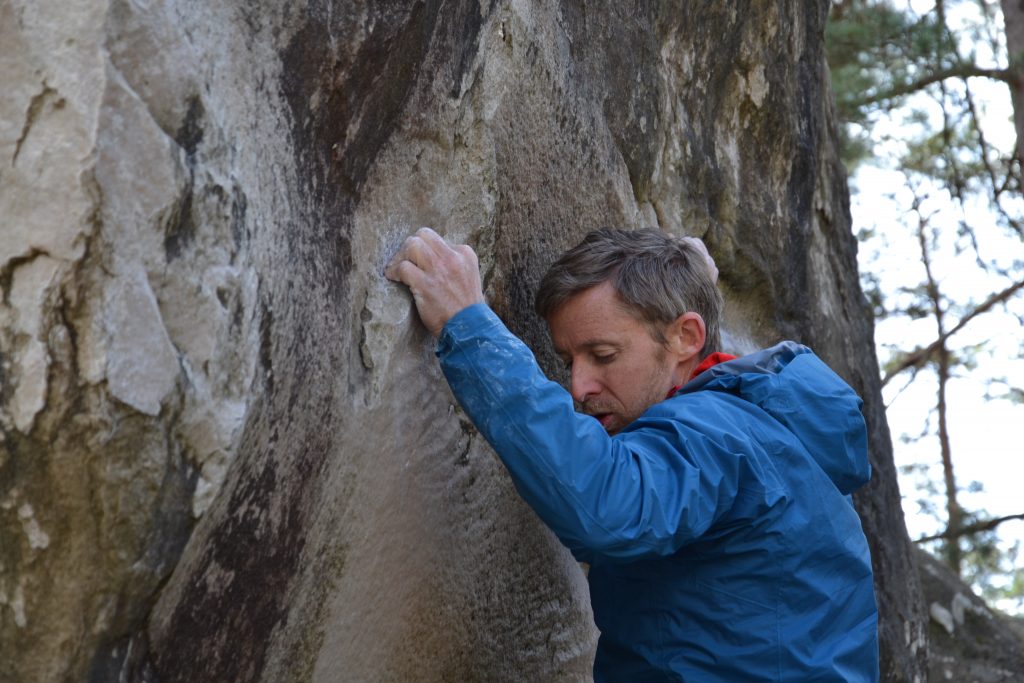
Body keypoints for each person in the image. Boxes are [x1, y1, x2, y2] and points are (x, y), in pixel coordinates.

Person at [385, 226, 879, 681]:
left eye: (602, 356)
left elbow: (609, 505)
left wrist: (469, 326)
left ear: (687, 337)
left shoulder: (719, 434)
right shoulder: (761, 432)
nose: (578, 387)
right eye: (568, 361)